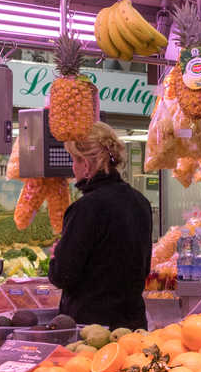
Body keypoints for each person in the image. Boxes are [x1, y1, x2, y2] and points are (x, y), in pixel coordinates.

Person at [48, 122, 151, 329]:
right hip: (133, 324)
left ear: (85, 165)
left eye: (73, 161)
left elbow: (63, 275)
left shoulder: (85, 208)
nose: (72, 168)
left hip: (92, 329)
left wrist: (56, 256)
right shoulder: (140, 202)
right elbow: (144, 267)